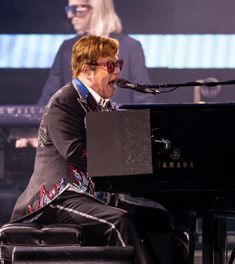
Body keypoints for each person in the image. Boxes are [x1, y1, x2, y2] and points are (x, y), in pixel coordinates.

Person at [10, 34, 183, 264]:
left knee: (159, 218)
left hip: (90, 197)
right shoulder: (65, 101)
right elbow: (74, 151)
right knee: (119, 221)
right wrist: (126, 160)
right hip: (57, 198)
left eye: (118, 65)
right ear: (87, 71)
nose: (117, 72)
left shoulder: (105, 106)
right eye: (110, 65)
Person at [38, 0, 153, 106]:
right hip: (76, 126)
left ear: (97, 9)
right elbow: (49, 99)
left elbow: (143, 99)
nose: (70, 15)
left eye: (76, 9)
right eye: (69, 9)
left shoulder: (130, 47)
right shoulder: (67, 48)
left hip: (118, 125)